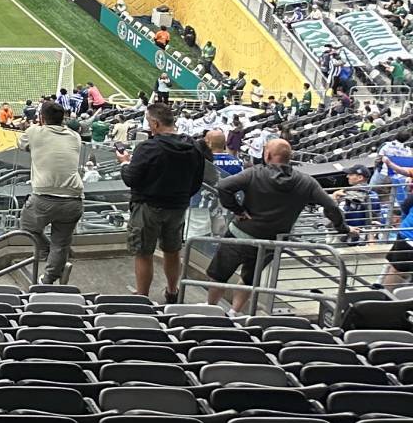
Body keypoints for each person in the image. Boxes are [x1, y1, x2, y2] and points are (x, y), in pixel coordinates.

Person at [207, 137, 353, 313]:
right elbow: (331, 206)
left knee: (219, 276)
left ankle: (211, 309)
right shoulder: (306, 181)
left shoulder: (254, 173)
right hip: (271, 242)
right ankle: (234, 313)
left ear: (267, 154)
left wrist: (236, 210)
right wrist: (343, 229)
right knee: (249, 279)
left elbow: (224, 185)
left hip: (239, 235)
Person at [120, 101, 212, 302]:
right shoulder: (194, 147)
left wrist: (125, 163)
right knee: (172, 251)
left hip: (147, 207)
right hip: (177, 208)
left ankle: (142, 298)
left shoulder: (148, 147)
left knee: (144, 252)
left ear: (155, 123)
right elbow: (197, 182)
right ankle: (172, 292)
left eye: (148, 122)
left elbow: (131, 178)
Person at [20, 100, 87, 285]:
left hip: (43, 198)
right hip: (73, 199)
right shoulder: (74, 136)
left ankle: (49, 254)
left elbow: (21, 144)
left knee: (27, 227)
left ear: (41, 118)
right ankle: (49, 278)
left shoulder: (34, 132)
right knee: (61, 243)